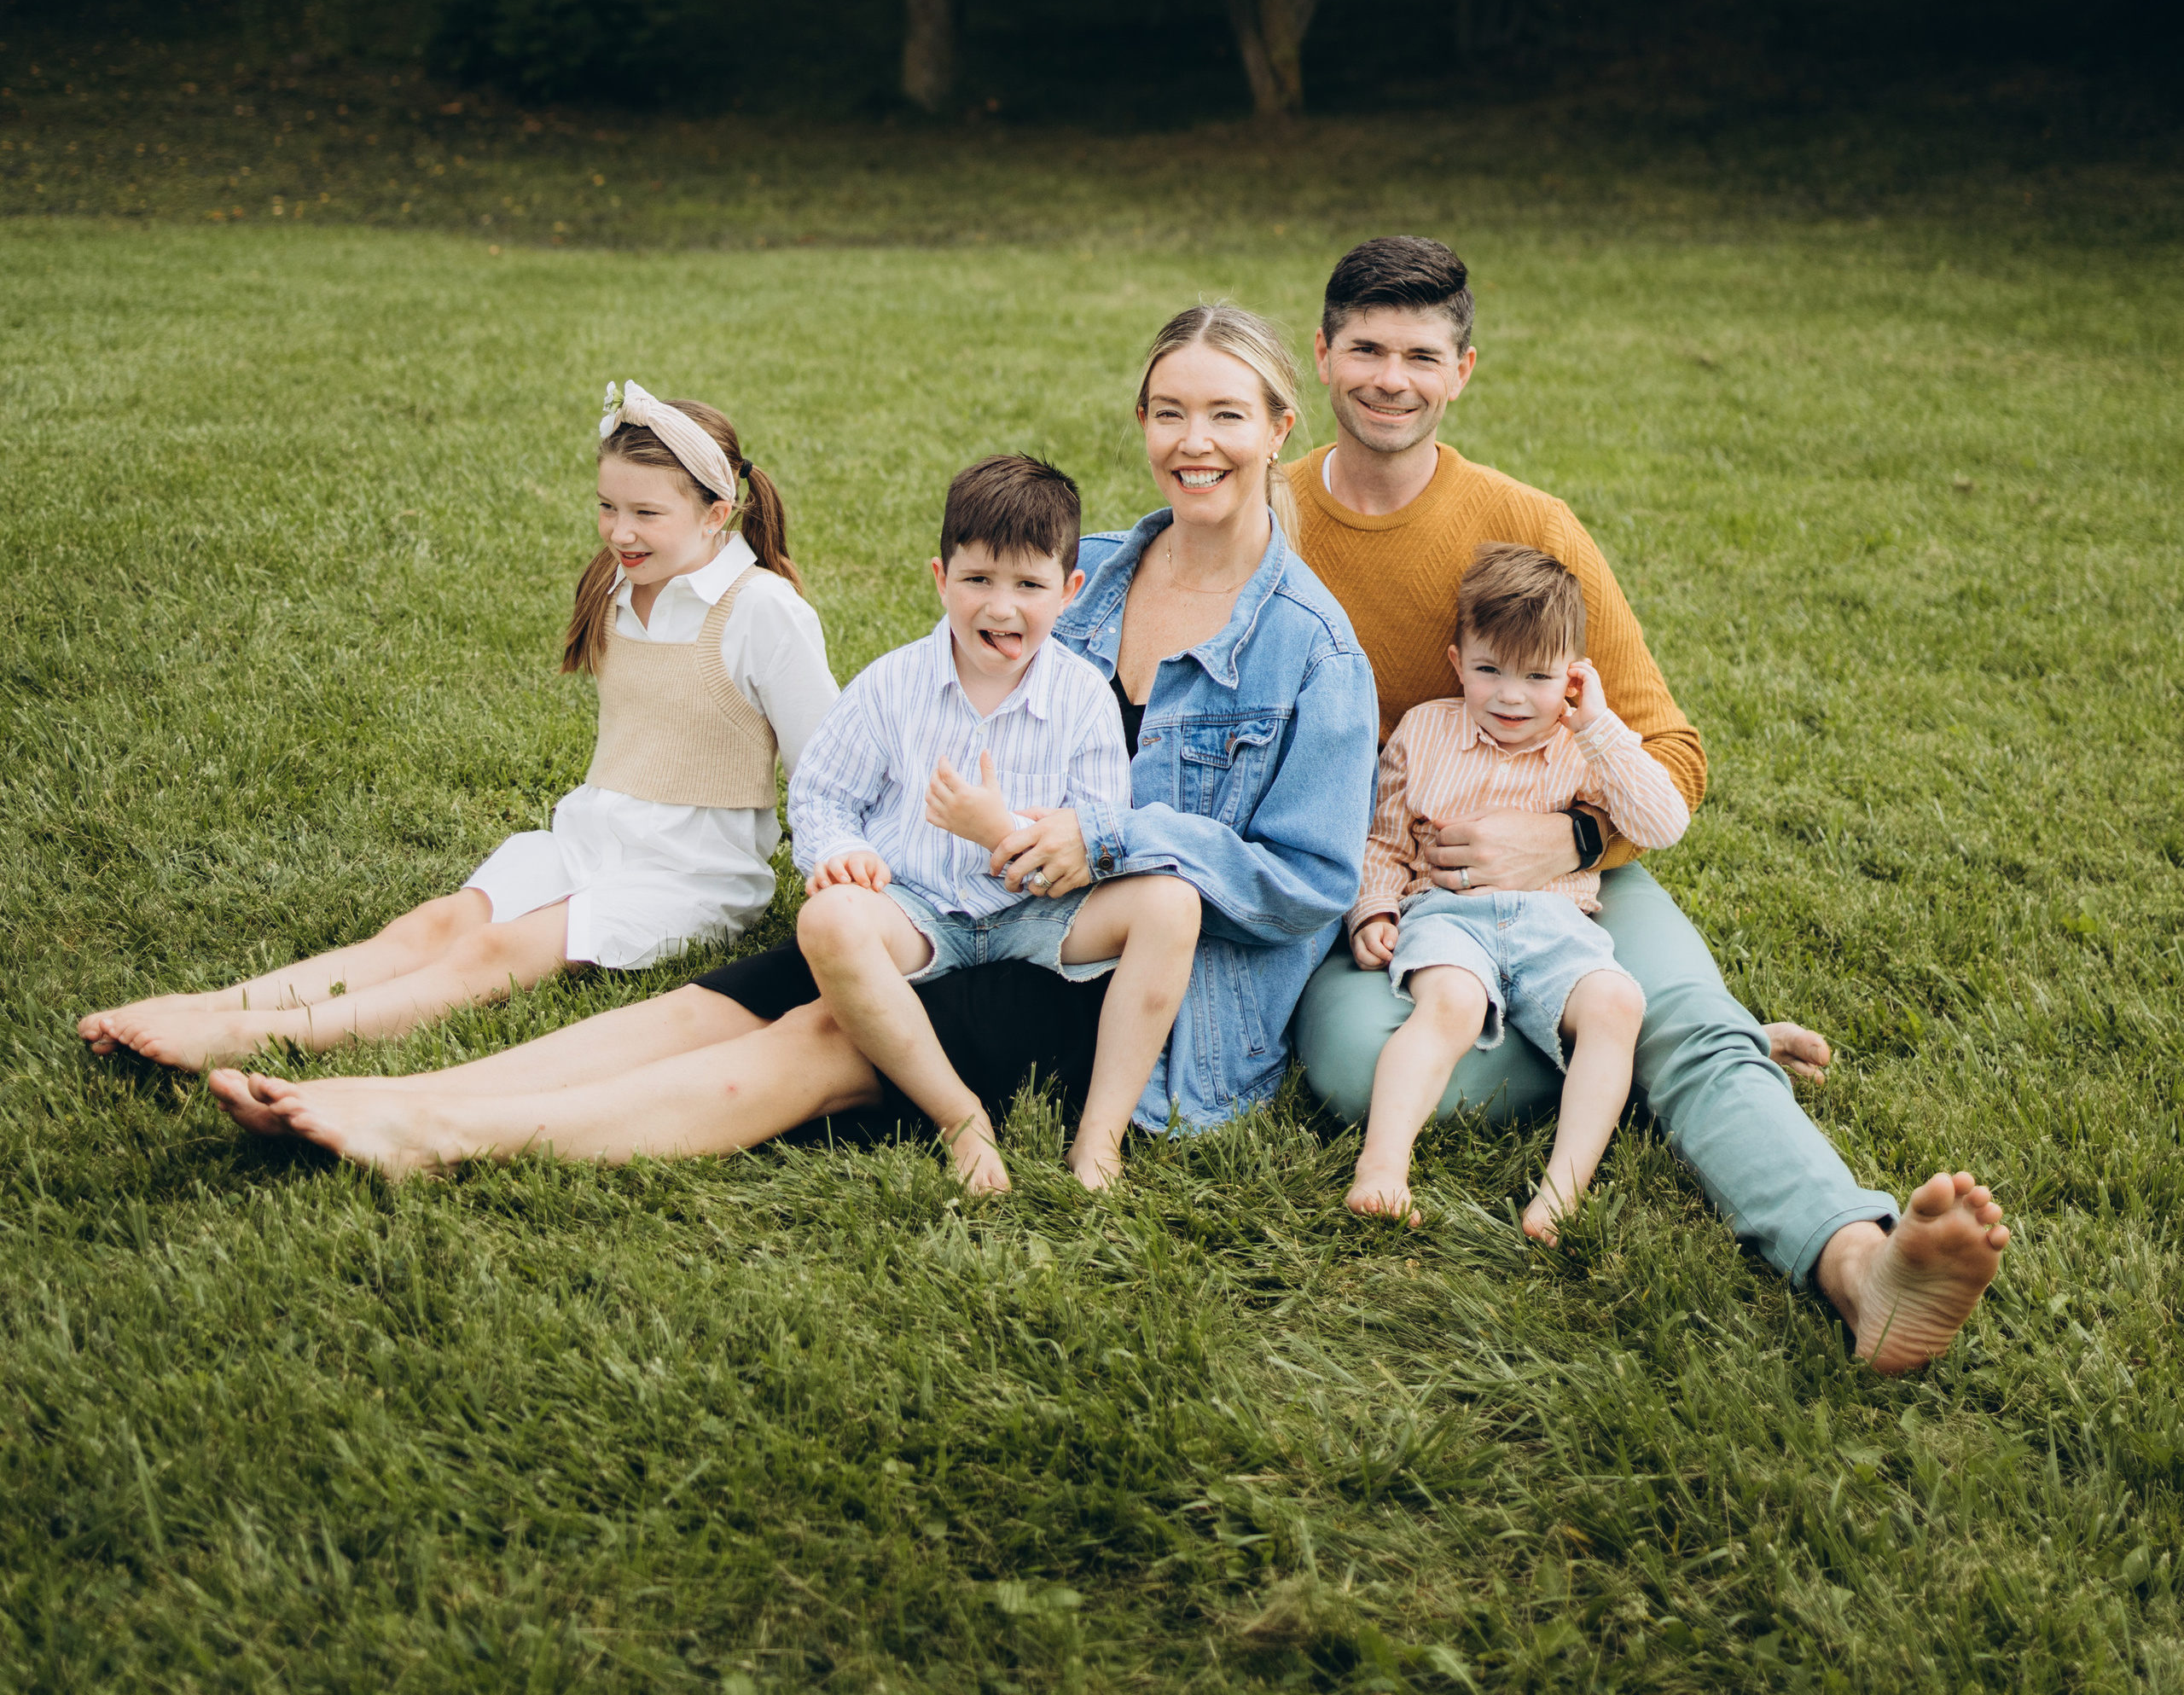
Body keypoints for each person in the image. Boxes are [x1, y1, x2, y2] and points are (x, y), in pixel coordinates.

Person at [209, 301, 1381, 1179]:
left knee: (821, 1035)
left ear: (1282, 427)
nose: (1197, 440)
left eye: (1228, 413)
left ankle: (445, 1133)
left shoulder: (1312, 651)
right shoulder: (1091, 574)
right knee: (723, 999)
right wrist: (864, 863)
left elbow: (1309, 884)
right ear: (1142, 421)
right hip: (959, 906)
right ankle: (402, 1084)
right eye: (1171, 410)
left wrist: (1113, 839)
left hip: (1114, 975)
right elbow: (940, 724)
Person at [1287, 234, 2010, 1373]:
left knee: (1666, 1020)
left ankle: (1859, 1264)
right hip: (1387, 884)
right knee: (1348, 1069)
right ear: (1322, 356)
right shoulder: (1267, 522)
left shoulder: (1532, 528)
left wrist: (1563, 833)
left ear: (1462, 371)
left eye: (1421, 354)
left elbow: (1669, 754)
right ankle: (1671, 1050)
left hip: (1572, 886)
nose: (1391, 378)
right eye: (1366, 348)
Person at [84, 384, 836, 1074]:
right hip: (587, 840)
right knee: (432, 925)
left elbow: (827, 765)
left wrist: (836, 873)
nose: (619, 532)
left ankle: (258, 1038)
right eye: (608, 506)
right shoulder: (616, 582)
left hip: (691, 876)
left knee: (498, 951)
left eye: (646, 514)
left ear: (716, 513)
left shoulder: (761, 610)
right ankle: (214, 1005)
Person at [788, 452, 1201, 1196]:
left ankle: (1101, 1134)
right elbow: (821, 794)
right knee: (827, 922)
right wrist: (842, 852)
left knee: (1173, 905)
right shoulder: (891, 685)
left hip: (1040, 915)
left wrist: (995, 828)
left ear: (1069, 593)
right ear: (941, 579)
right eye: (977, 580)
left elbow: (1101, 835)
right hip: (917, 908)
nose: (1001, 608)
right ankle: (958, 1118)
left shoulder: (1081, 698)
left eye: (1029, 586)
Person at [1345, 541, 1685, 1237]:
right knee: (1451, 1005)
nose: (1509, 695)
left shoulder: (1583, 747)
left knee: (1617, 1004)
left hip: (1556, 923)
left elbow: (1664, 822)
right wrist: (1372, 908)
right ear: (1456, 662)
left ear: (1572, 676)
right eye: (1488, 669)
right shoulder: (1424, 731)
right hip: (1449, 914)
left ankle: (1559, 1196)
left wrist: (1597, 724)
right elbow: (1383, 839)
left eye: (1537, 676)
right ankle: (1381, 1171)